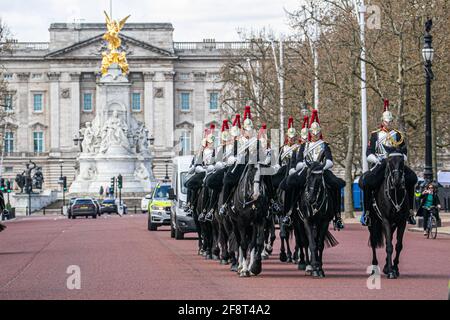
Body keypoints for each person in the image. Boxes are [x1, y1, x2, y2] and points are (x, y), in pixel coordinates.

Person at [360, 99, 418, 226]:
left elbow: (404, 152)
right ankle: (367, 213)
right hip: (381, 163)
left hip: (396, 163)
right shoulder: (375, 135)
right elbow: (369, 153)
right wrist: (377, 159)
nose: (389, 123)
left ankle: (409, 212)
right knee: (367, 182)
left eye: (391, 121)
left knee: (412, 178)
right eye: (387, 121)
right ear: (382, 121)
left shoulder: (398, 135)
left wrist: (401, 158)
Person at [287, 110, 345, 230]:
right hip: (308, 170)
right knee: (292, 184)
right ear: (310, 133)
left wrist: (322, 167)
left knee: (336, 185)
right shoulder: (304, 146)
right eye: (313, 133)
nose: (315, 135)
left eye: (317, 133)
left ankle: (337, 216)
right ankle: (289, 212)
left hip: (321, 171)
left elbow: (329, 160)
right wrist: (306, 166)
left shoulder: (324, 145)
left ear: (320, 133)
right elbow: (299, 162)